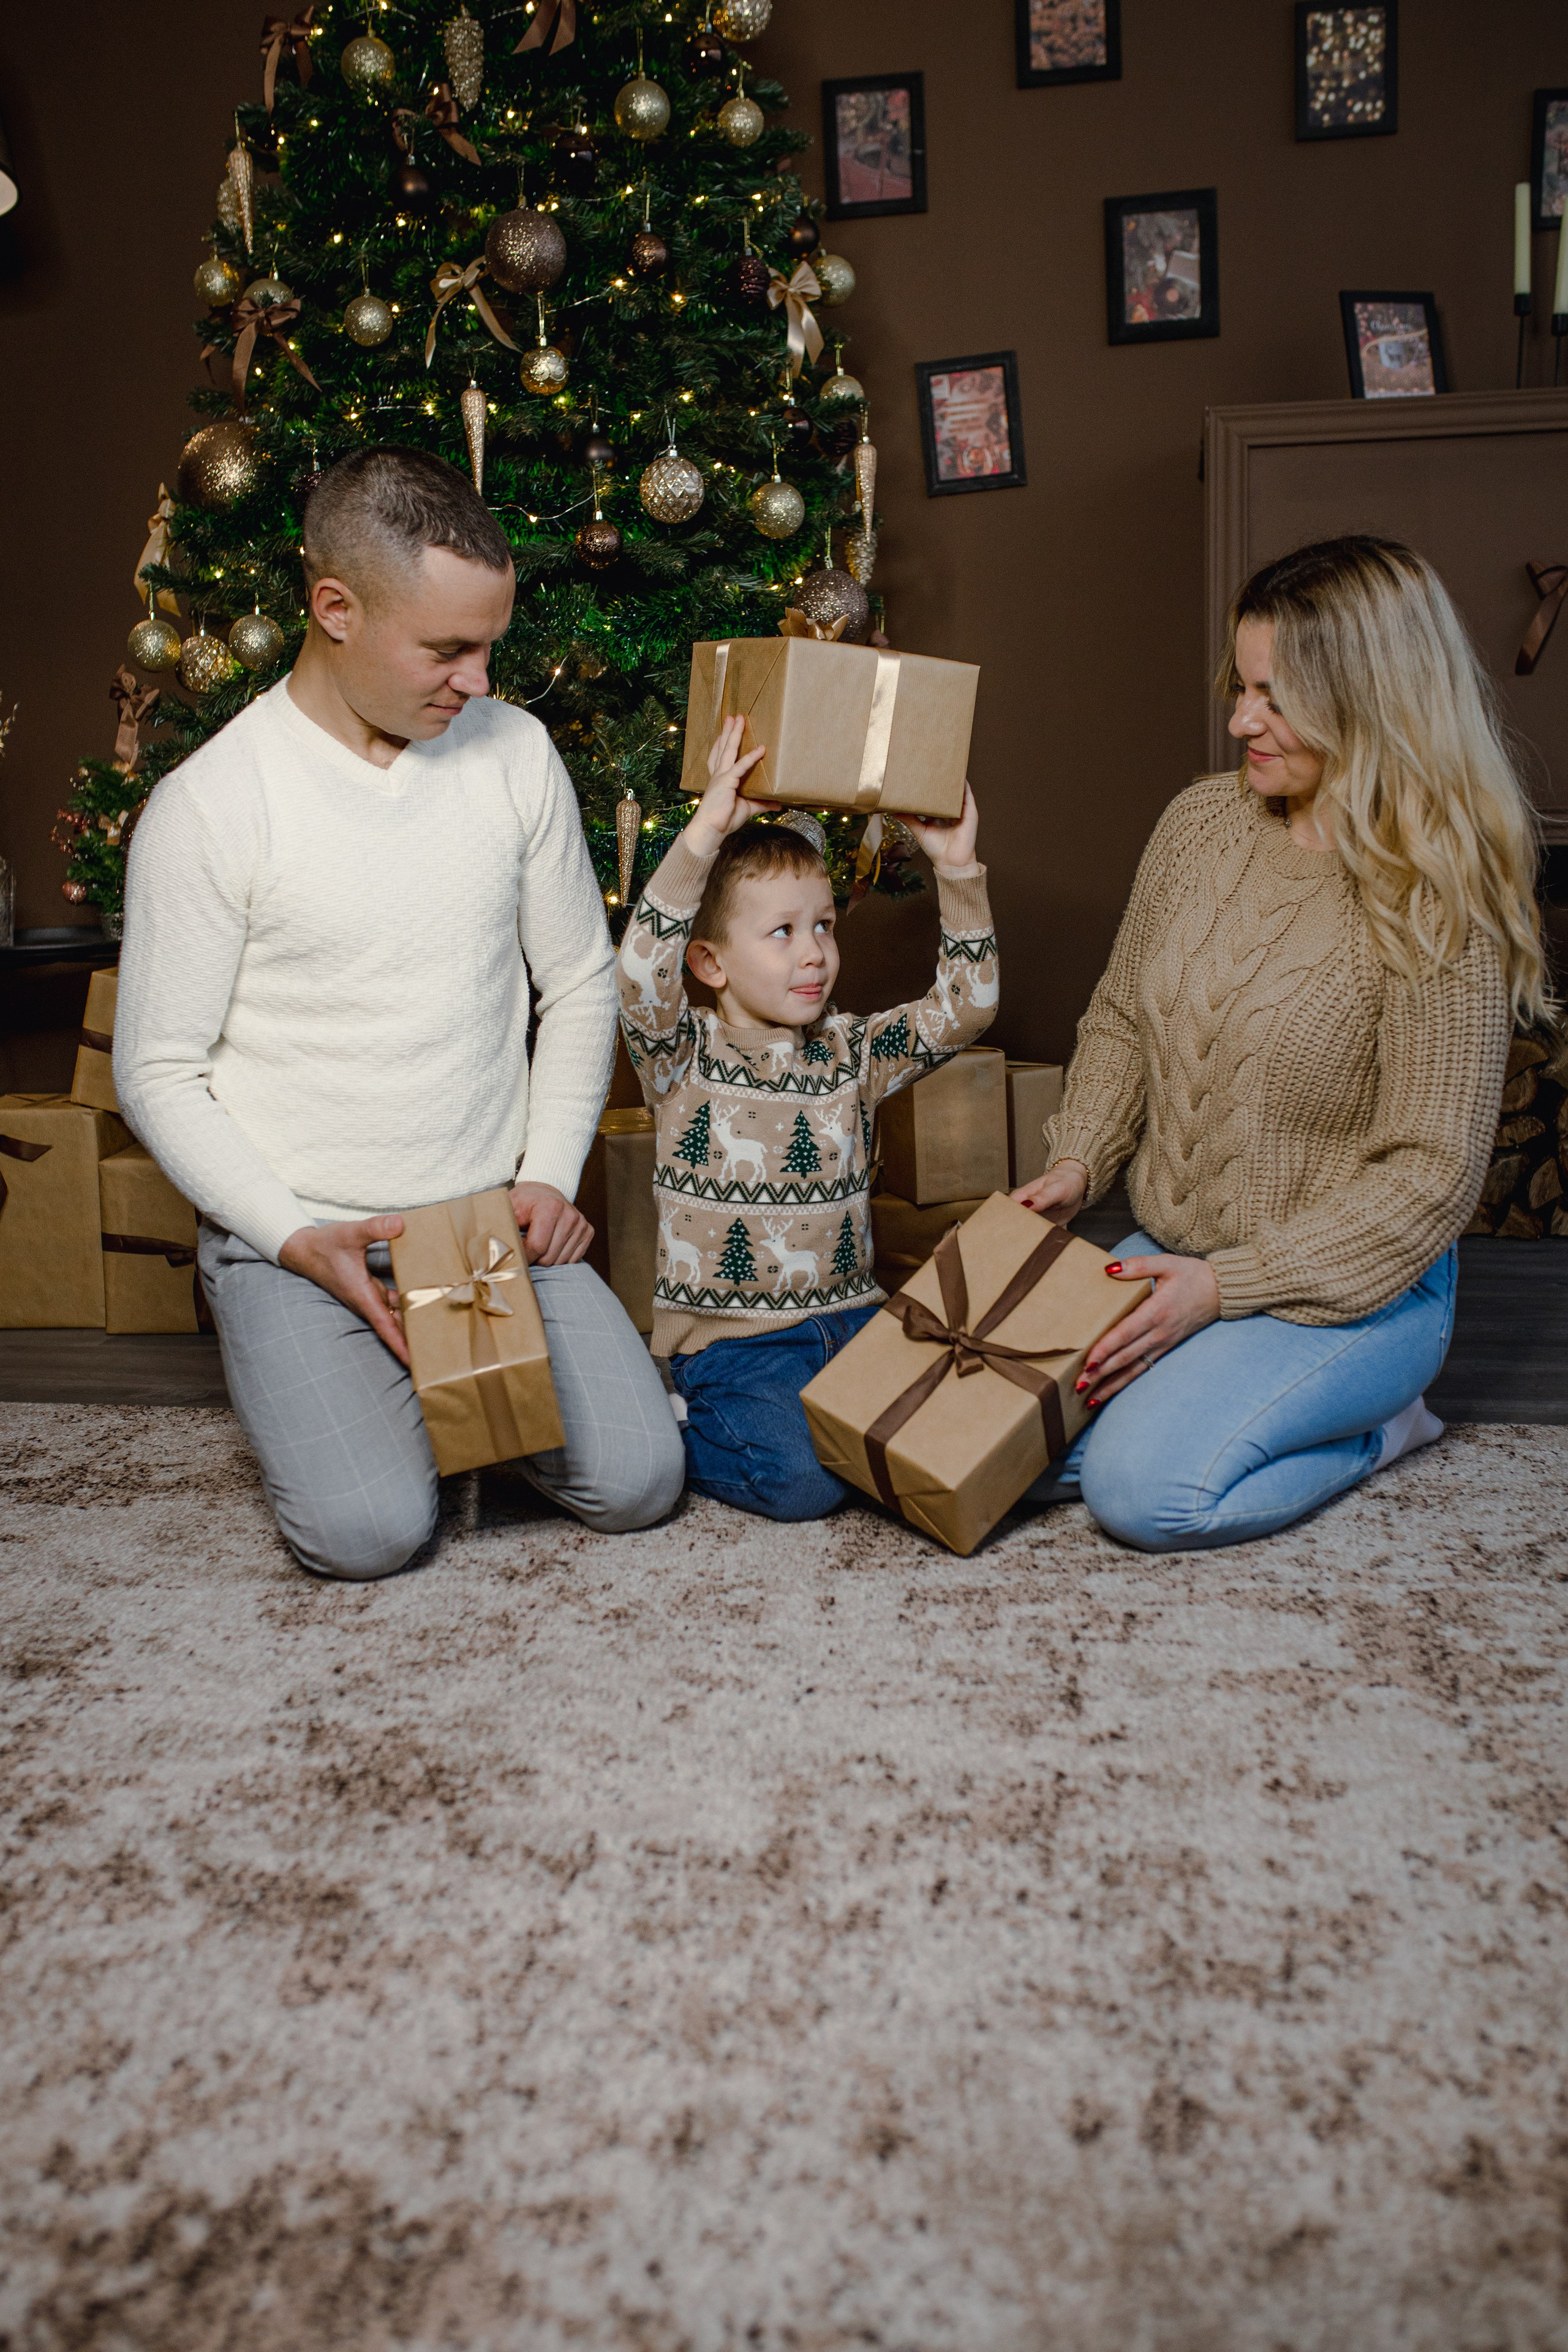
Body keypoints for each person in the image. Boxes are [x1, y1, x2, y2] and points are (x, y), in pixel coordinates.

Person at [115, 447, 684, 1579]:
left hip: (486, 1225)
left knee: (640, 1482)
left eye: (490, 647)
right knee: (369, 1535)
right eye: (447, 649)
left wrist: (546, 1181)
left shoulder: (515, 755)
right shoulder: (211, 808)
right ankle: (381, 1382)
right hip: (304, 1236)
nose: (477, 681)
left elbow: (576, 982)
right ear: (336, 608)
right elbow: (158, 1072)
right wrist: (285, 1234)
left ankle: (445, 1387)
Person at [1013, 534, 1548, 1551]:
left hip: (1352, 1290)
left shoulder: (1441, 897)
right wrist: (1079, 1162)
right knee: (1007, 1448)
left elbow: (1430, 1180)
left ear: (1372, 699)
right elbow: (1125, 1014)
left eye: (1271, 696)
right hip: (1175, 1253)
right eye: (1239, 685)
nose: (1238, 721)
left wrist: (1227, 1291)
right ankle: (1216, 1402)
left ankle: (1382, 1430)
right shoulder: (1200, 824)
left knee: (1143, 1492)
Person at [619, 717, 997, 1520]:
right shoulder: (680, 1052)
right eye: (782, 933)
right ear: (711, 962)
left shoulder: (852, 1051)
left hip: (857, 1322)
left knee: (961, 1437)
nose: (814, 953)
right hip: (737, 1351)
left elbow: (968, 1009)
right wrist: (706, 829)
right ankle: (677, 1425)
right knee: (804, 1484)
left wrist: (957, 869)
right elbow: (638, 973)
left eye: (823, 925)